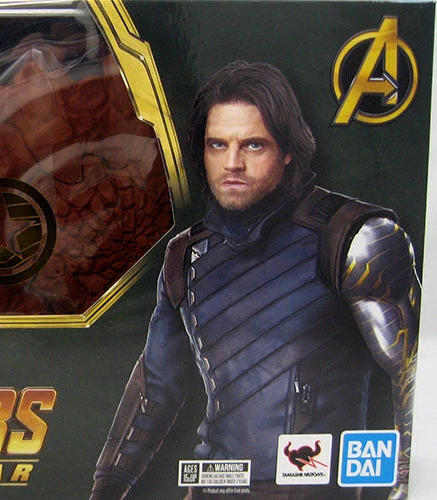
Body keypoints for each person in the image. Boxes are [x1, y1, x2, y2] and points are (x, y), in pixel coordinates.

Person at [90, 61, 419, 500]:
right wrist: (107, 489)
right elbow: (156, 390)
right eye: (217, 144)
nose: (232, 163)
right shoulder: (184, 255)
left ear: (288, 150)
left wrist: (408, 482)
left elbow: (416, 369)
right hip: (211, 485)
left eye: (254, 145)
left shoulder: (354, 238)